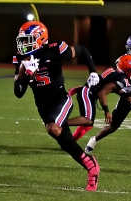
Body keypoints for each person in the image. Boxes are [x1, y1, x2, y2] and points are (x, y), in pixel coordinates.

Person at [13, 20, 101, 191]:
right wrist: (25, 74)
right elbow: (19, 92)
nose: (23, 44)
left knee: (53, 128)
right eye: (22, 40)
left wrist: (92, 71)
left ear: (40, 39)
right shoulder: (20, 58)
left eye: (27, 40)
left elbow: (82, 51)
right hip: (43, 106)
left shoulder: (55, 49)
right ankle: (91, 167)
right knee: (65, 142)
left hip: (60, 99)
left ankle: (91, 165)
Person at [68, 55, 131, 141]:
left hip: (88, 92)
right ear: (126, 68)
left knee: (87, 124)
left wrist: (126, 96)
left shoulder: (115, 71)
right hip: (88, 93)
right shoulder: (122, 78)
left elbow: (111, 88)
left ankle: (69, 142)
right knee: (87, 120)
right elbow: (102, 92)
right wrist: (106, 111)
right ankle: (61, 123)